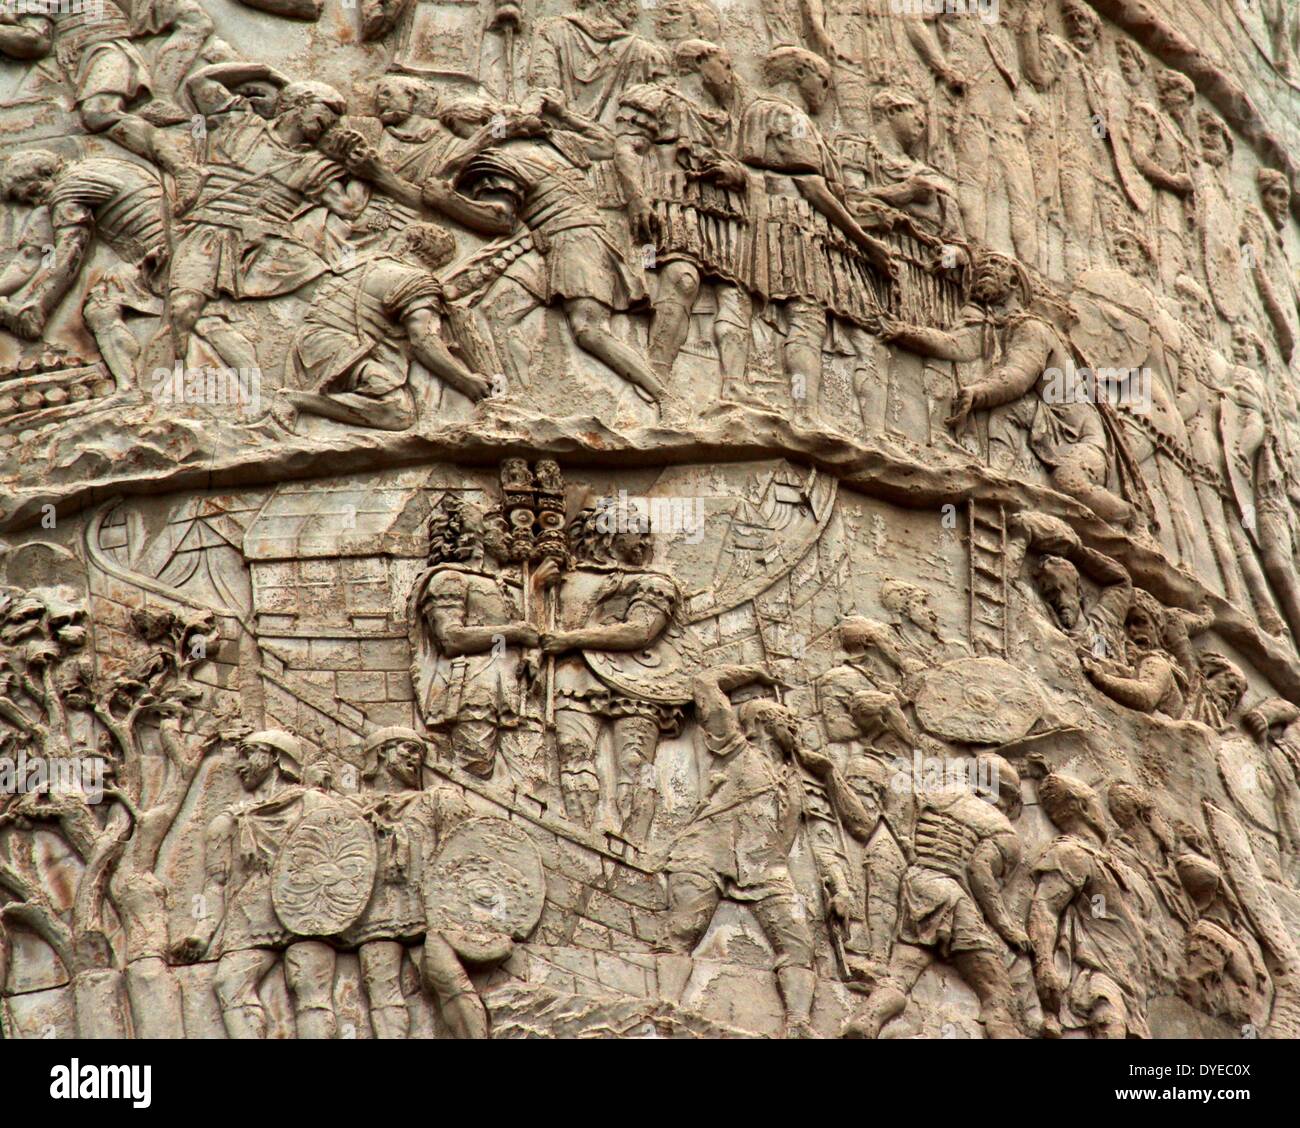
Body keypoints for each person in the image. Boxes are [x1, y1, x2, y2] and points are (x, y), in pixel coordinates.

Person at [654, 664, 874, 1038]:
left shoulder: (797, 782)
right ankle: (665, 1008)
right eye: (785, 719)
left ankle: (798, 1023)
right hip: (706, 854)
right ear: (761, 723)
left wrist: (840, 888)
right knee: (682, 931)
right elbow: (704, 683)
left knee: (800, 945)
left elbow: (831, 839)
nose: (795, 726)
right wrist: (753, 672)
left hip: (765, 869)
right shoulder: (736, 747)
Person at [274, 222, 493, 432]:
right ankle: (298, 401)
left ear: (412, 244)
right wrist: (465, 381)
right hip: (341, 350)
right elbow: (423, 341)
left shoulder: (363, 263)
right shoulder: (416, 281)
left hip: (308, 345)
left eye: (399, 237)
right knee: (398, 412)